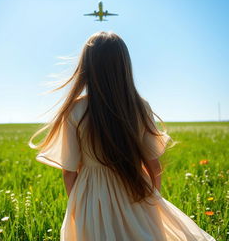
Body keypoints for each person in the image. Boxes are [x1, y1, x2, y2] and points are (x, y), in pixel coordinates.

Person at [29, 31, 215, 240]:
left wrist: (78, 204)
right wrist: (153, 200)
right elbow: (154, 165)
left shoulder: (75, 110)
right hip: (135, 190)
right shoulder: (139, 106)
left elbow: (69, 171)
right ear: (124, 66)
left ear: (86, 68)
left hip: (92, 199)